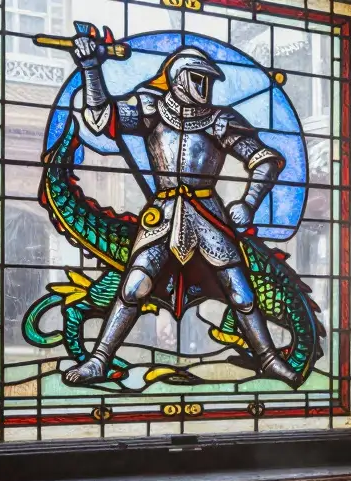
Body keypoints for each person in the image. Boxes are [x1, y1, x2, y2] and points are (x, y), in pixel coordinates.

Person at [60, 31, 305, 386]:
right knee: (133, 288)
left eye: (208, 79)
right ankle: (99, 360)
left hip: (209, 215)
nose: (204, 86)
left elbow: (266, 160)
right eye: (198, 77)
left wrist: (249, 204)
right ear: (177, 77)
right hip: (161, 215)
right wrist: (91, 68)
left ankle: (267, 358)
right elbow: (101, 118)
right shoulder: (151, 108)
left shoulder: (221, 120)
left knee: (241, 292)